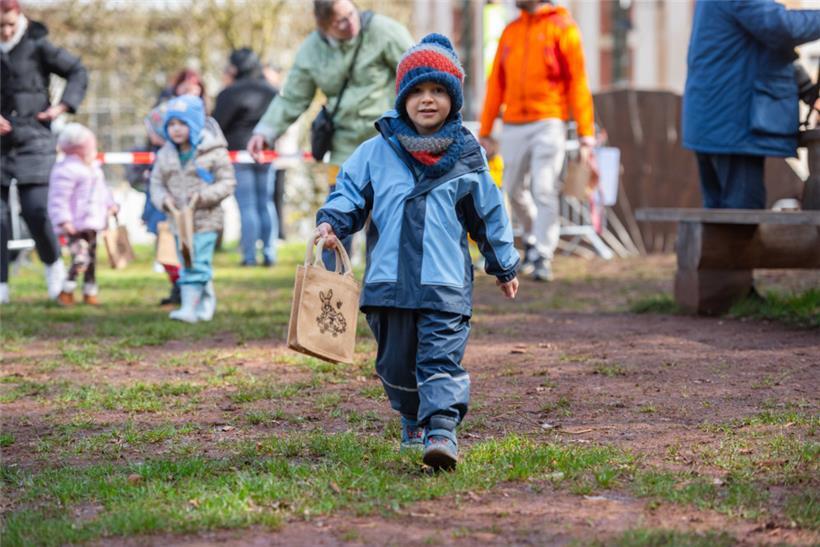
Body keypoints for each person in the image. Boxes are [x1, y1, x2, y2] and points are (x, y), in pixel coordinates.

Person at [315, 34, 520, 470]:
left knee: (440, 360)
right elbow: (349, 193)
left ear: (454, 98)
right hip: (387, 282)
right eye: (418, 91)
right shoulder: (375, 153)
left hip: (443, 284)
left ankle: (442, 430)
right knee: (395, 365)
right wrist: (332, 221)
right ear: (403, 98)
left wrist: (502, 263)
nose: (428, 100)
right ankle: (411, 417)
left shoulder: (468, 156)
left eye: (439, 91)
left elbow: (488, 213)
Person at [247, 0, 413, 266]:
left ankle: (383, 295)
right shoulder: (313, 50)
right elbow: (293, 96)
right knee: (335, 223)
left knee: (386, 227)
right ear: (323, 26)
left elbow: (417, 74)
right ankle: (326, 292)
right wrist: (265, 130)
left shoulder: (384, 31)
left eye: (351, 13)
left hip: (387, 145)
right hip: (344, 149)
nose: (350, 23)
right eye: (340, 21)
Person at [479, 0, 596, 282]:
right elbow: (497, 82)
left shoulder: (563, 27)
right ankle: (532, 241)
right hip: (514, 123)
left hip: (549, 121)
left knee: (544, 188)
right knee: (513, 188)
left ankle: (543, 253)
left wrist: (585, 133)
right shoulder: (511, 31)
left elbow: (578, 81)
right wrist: (485, 129)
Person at [682, 0, 820, 209]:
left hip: (718, 123)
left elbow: (761, 49)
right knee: (740, 222)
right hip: (733, 127)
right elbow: (782, 27)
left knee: (720, 222)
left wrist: (807, 90)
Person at [0, 0, 88, 304]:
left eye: (10, 24)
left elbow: (77, 70)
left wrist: (62, 106)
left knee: (36, 210)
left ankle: (53, 268)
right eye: (0, 26)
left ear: (20, 17)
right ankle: (1, 286)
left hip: (34, 140)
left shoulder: (38, 44)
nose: (6, 31)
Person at [150, 96, 236, 323]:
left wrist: (202, 197)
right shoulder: (165, 153)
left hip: (206, 219)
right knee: (189, 261)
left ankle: (188, 308)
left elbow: (227, 182)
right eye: (171, 124)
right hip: (178, 221)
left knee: (197, 262)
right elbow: (156, 183)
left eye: (182, 123)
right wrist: (163, 200)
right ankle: (206, 301)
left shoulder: (214, 151)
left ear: (195, 124)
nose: (176, 130)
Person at [143, 68, 208, 305]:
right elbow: (151, 135)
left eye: (196, 86)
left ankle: (195, 293)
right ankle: (177, 287)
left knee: (194, 248)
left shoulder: (204, 120)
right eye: (187, 86)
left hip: (193, 200)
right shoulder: (164, 112)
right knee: (167, 241)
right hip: (168, 189)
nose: (192, 91)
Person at [213, 48, 278, 266]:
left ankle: (249, 256)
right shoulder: (271, 91)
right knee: (266, 203)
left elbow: (217, 124)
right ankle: (269, 253)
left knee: (247, 205)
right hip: (267, 151)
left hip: (240, 153)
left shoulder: (229, 93)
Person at [47, 124, 117, 306]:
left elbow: (103, 192)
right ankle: (66, 291)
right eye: (91, 148)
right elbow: (58, 199)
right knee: (80, 259)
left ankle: (89, 292)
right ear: (79, 151)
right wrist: (64, 220)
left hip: (92, 223)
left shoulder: (94, 169)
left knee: (91, 260)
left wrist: (111, 205)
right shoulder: (66, 170)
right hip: (75, 226)